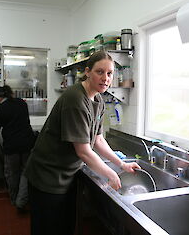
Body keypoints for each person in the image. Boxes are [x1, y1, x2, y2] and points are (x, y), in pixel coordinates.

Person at [24, 51, 141, 235]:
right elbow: (84, 151)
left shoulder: (99, 100)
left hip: (67, 175)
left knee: (65, 227)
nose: (105, 78)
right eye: (99, 72)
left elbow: (98, 140)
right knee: (47, 229)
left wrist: (121, 165)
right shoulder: (75, 99)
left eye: (109, 73)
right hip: (48, 176)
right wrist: (112, 174)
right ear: (87, 72)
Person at [0, 85, 36, 212]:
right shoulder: (21, 103)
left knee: (12, 174)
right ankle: (23, 200)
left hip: (12, 146)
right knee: (26, 172)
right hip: (28, 143)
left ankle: (16, 200)